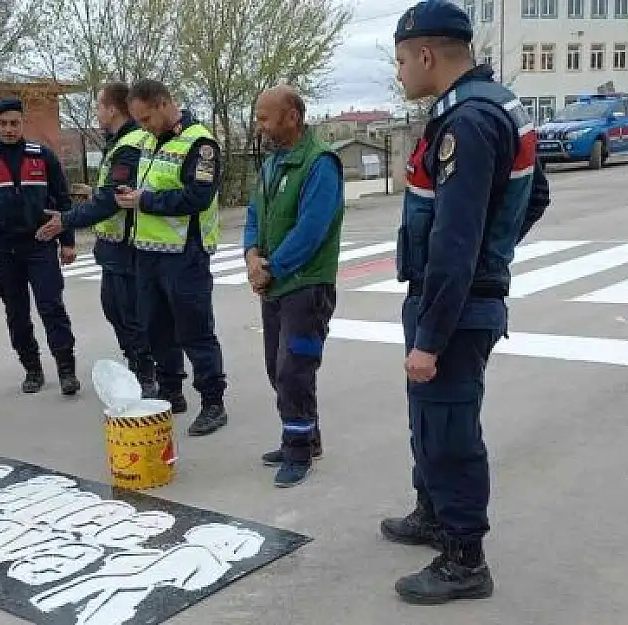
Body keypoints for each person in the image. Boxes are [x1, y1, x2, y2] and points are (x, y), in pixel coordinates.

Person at [381, 0, 549, 605]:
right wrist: (494, 245)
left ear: (427, 55)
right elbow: (536, 195)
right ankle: (432, 512)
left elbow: (455, 243)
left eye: (402, 60)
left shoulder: (468, 123)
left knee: (448, 428)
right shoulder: (492, 106)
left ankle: (464, 558)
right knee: (428, 419)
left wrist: (431, 335)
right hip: (452, 298)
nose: (399, 71)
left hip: (452, 306)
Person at [244, 85, 345, 488]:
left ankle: (298, 450)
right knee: (277, 366)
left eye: (265, 117)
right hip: (275, 284)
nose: (260, 125)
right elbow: (254, 214)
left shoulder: (319, 164)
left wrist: (274, 267)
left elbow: (313, 229)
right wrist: (251, 255)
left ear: (292, 116)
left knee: (294, 369)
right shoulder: (272, 164)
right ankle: (307, 435)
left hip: (307, 285)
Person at [36, 82, 165, 398]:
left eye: (98, 106)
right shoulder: (119, 142)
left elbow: (110, 199)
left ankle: (145, 377)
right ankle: (139, 370)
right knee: (116, 310)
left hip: (127, 246)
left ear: (111, 109)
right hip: (113, 246)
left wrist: (66, 220)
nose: (96, 112)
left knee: (130, 316)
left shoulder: (130, 144)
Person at [114, 79, 228, 435]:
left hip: (185, 254)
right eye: (138, 120)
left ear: (164, 104)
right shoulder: (149, 140)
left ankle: (213, 403)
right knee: (156, 327)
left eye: (146, 118)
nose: (143, 126)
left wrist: (144, 201)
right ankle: (170, 391)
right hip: (148, 253)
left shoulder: (200, 143)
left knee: (195, 330)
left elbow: (197, 198)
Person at [0, 97, 81, 396]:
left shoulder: (42, 156)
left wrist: (67, 242)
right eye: (2, 124)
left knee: (51, 307)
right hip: (2, 250)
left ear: (22, 123)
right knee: (16, 313)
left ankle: (66, 369)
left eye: (14, 123)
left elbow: (62, 199)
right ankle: (32, 369)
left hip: (40, 244)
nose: (8, 129)